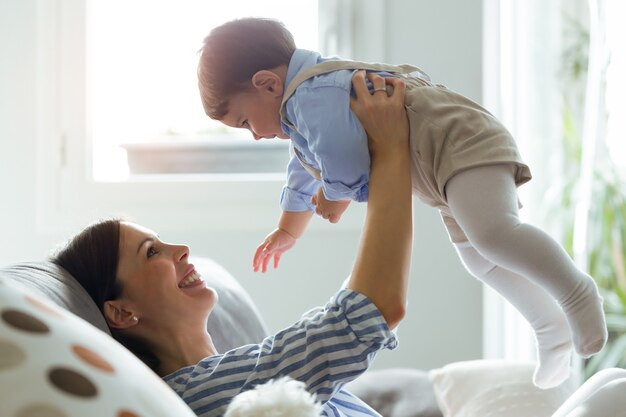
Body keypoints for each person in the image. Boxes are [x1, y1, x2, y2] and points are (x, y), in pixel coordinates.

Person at [196, 17, 607, 389]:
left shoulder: (312, 96)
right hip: (439, 169)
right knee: (479, 257)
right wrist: (289, 227)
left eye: (245, 122)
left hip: (458, 143)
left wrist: (336, 197)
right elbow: (304, 167)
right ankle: (548, 326)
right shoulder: (298, 112)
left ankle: (576, 292)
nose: (253, 135)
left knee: (495, 234)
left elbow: (343, 158)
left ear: (266, 83)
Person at [51, 71, 412, 417]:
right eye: (151, 252)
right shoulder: (199, 394)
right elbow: (367, 314)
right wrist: (390, 149)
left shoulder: (234, 372)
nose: (181, 250)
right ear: (121, 312)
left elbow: (353, 318)